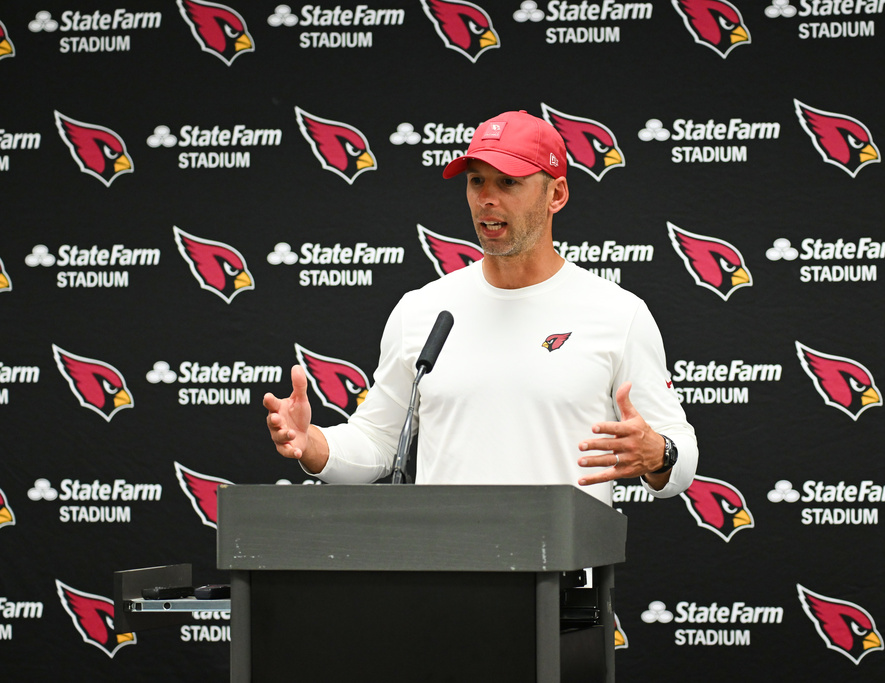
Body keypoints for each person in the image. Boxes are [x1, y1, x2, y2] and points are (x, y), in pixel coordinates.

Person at [264, 110, 697, 505]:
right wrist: (312, 442)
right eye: (476, 181)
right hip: (446, 578)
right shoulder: (423, 311)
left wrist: (660, 454)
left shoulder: (618, 313)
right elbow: (377, 442)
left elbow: (680, 455)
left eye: (508, 182)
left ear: (556, 194)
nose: (486, 198)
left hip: (561, 583)